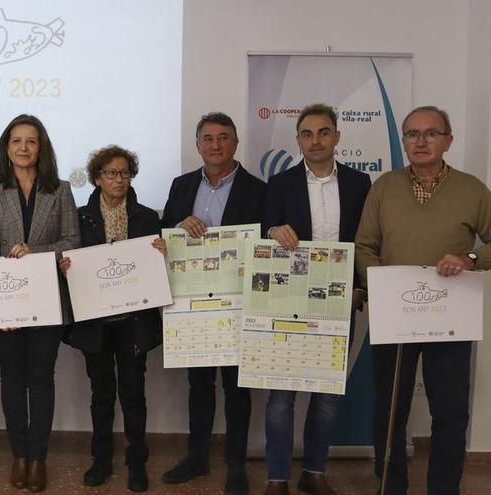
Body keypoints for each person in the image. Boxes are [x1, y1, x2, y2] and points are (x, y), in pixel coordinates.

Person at [355, 106, 491, 495]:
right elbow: (365, 246)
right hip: (394, 315)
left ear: (449, 140)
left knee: (449, 413)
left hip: (450, 316)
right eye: (412, 133)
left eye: (431, 133)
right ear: (403, 141)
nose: (420, 141)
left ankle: (444, 488)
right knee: (390, 409)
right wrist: (380, 282)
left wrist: (470, 259)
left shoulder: (472, 190)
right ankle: (391, 487)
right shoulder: (384, 187)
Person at [262, 104, 371, 495]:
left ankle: (314, 473)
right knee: (280, 397)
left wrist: (361, 288)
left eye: (324, 132)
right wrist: (274, 230)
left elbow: (367, 241)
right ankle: (277, 478)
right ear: (298, 140)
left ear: (337, 137)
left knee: (326, 397)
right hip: (288, 302)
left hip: (339, 304)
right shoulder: (279, 183)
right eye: (307, 134)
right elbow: (262, 232)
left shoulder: (361, 184)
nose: (315, 140)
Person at [160, 112, 265, 495]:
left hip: (238, 304)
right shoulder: (182, 184)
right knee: (199, 384)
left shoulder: (258, 189)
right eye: (208, 138)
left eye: (223, 138)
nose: (216, 145)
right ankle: (197, 457)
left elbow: (265, 245)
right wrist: (175, 227)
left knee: (237, 387)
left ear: (235, 144)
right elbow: (165, 233)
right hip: (191, 306)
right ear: (198, 145)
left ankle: (235, 463)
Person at [0, 114, 80, 492]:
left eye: (31, 141)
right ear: (6, 148)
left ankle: (38, 458)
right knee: (11, 379)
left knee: (40, 380)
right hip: (3, 300)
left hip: (48, 300)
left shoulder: (61, 189)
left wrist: (36, 251)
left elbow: (72, 241)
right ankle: (18, 455)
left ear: (42, 148)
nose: (23, 147)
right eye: (16, 141)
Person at [58, 145, 165, 492]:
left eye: (124, 172)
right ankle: (101, 460)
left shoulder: (149, 218)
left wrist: (164, 252)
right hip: (95, 325)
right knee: (101, 394)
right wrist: (65, 267)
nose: (119, 179)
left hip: (134, 323)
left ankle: (137, 463)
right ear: (97, 178)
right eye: (111, 173)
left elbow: (157, 268)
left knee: (134, 395)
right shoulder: (79, 216)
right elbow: (70, 259)